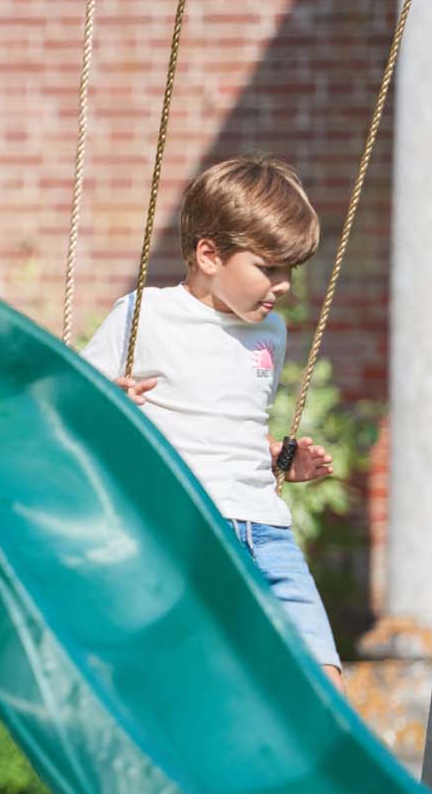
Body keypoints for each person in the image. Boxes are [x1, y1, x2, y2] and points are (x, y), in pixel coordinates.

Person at [80, 156, 344, 690]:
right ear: (208, 254)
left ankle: (328, 762)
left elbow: (232, 425)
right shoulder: (144, 316)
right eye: (268, 268)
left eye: (289, 271)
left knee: (321, 670)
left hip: (267, 532)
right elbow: (70, 400)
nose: (283, 286)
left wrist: (278, 460)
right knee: (205, 674)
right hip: (188, 524)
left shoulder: (270, 333)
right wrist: (107, 400)